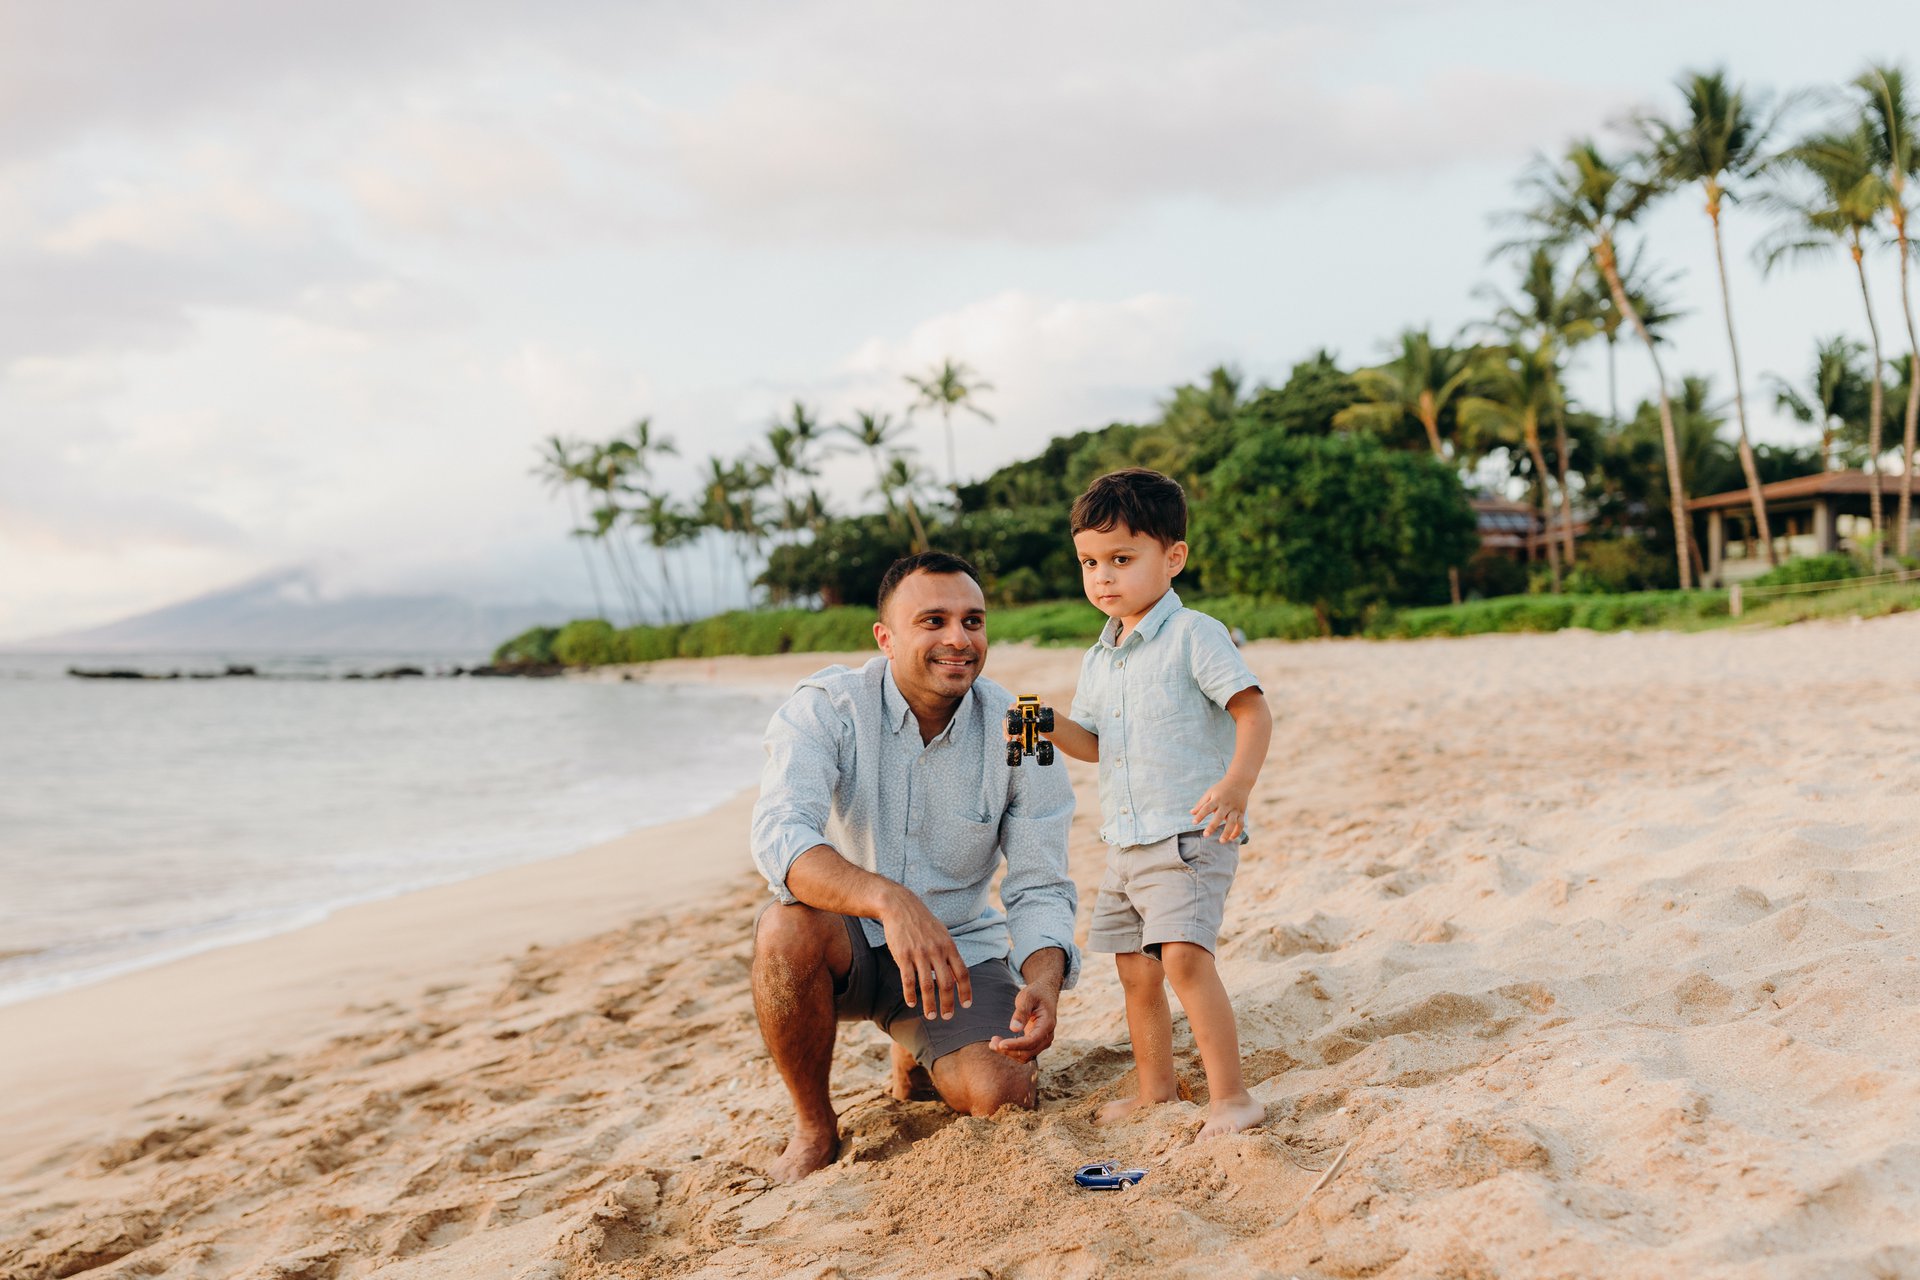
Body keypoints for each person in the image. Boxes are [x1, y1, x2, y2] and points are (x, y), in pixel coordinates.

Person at [750, 551, 1081, 1182]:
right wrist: (888, 901)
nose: (959, 639)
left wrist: (1044, 977)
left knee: (1000, 1094)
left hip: (957, 955)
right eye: (933, 621)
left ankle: (917, 1050)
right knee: (783, 929)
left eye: (973, 621)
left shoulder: (1027, 724)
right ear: (887, 637)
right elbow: (778, 835)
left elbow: (1041, 878)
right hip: (849, 942)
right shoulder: (827, 703)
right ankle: (815, 1126)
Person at [1040, 468, 1274, 1137]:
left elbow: (1253, 712)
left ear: (1173, 558)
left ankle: (1232, 1098)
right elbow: (1090, 742)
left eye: (1121, 559)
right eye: (1089, 563)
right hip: (1125, 842)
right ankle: (1157, 1093)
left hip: (1188, 833)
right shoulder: (1100, 656)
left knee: (1183, 959)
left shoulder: (1195, 633)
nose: (1103, 578)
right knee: (1134, 971)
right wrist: (1042, 722)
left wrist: (1237, 784)